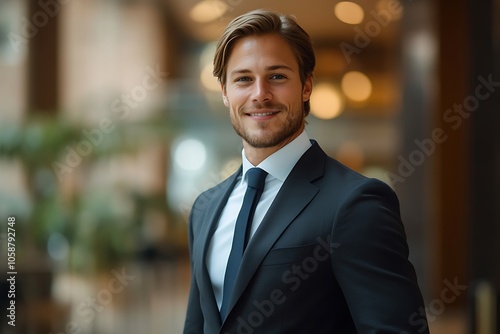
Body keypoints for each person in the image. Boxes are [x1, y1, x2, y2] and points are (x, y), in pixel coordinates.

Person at [183, 9, 429, 334]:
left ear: (306, 86)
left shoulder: (356, 203)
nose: (260, 93)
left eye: (277, 76)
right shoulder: (205, 208)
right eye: (243, 79)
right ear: (226, 93)